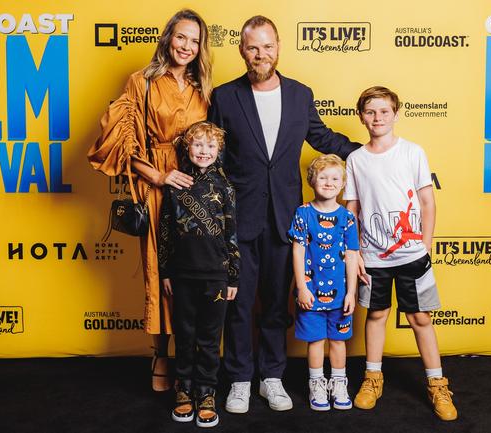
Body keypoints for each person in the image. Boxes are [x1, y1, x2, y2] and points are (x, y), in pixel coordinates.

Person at [207, 15, 360, 413]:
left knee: (277, 301)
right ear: (242, 50)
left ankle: (271, 377)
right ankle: (239, 379)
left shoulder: (299, 94)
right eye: (252, 47)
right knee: (239, 304)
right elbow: (213, 157)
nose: (261, 54)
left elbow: (322, 137)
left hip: (287, 219)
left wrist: (367, 152)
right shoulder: (224, 97)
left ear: (279, 47)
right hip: (239, 218)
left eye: (267, 46)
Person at [87, 9, 212, 392]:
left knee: (193, 272)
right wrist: (157, 175)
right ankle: (160, 355)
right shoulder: (141, 81)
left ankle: (191, 361)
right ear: (167, 38)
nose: (187, 47)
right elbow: (123, 137)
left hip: (196, 184)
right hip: (158, 184)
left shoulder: (203, 86)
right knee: (160, 271)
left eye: (194, 41)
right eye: (181, 38)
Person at [344, 86, 458, 421]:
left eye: (383, 111)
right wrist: (354, 251)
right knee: (376, 315)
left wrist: (427, 241)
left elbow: (427, 201)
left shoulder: (412, 152)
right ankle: (372, 378)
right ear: (361, 116)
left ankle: (437, 384)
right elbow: (352, 209)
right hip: (373, 256)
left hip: (410, 254)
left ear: (395, 113)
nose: (377, 118)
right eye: (370, 112)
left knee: (420, 318)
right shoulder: (356, 159)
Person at [158, 121, 239, 428]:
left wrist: (233, 277)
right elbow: (165, 230)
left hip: (216, 275)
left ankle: (206, 392)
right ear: (187, 148)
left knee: (209, 337)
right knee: (185, 334)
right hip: (182, 274)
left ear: (218, 150)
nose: (203, 151)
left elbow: (232, 233)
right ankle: (184, 388)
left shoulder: (226, 187)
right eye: (197, 145)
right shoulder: (176, 184)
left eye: (210, 146)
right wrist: (165, 270)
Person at [287, 155, 359, 411]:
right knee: (316, 340)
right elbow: (298, 251)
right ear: (312, 180)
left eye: (335, 178)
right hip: (311, 293)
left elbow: (351, 256)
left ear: (342, 185)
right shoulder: (303, 213)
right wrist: (302, 287)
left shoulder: (348, 218)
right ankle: (316, 383)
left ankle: (339, 382)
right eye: (323, 177)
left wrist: (351, 292)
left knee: (338, 341)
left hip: (340, 294)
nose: (329, 182)